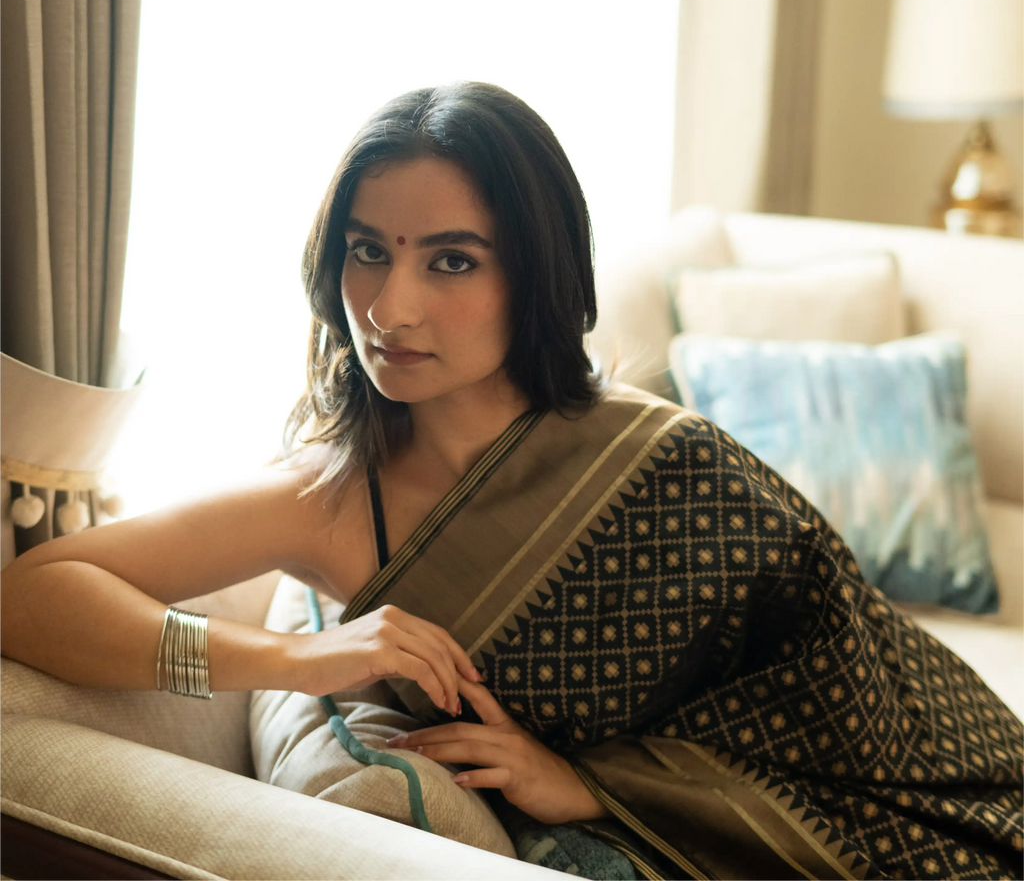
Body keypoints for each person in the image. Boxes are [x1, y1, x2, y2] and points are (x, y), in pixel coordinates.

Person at [1, 82, 1022, 881]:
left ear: (534, 274)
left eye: (450, 261)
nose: (389, 308)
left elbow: (840, 686)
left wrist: (596, 790)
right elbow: (33, 594)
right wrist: (291, 657)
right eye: (367, 252)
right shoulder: (325, 497)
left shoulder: (667, 458)